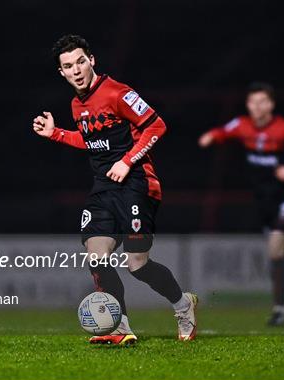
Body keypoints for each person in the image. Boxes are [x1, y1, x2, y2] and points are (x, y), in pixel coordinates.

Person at [33, 34, 198, 344]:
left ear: (92, 60)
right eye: (68, 66)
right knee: (97, 256)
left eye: (81, 61)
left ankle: (183, 305)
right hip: (103, 189)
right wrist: (56, 134)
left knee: (138, 265)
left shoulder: (118, 93)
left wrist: (126, 161)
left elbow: (156, 125)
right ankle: (120, 326)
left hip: (137, 182)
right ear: (62, 73)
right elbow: (92, 142)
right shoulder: (75, 104)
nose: (77, 70)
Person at [198, 82, 284, 326]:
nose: (257, 106)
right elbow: (224, 131)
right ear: (248, 105)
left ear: (271, 104)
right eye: (253, 102)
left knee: (275, 250)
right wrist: (210, 136)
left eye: (262, 101)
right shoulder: (242, 125)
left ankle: (280, 310)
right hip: (263, 201)